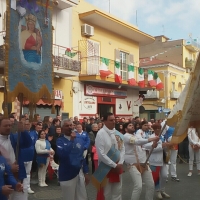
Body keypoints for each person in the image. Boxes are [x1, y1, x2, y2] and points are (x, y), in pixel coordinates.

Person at [123, 122, 159, 200]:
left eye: (132, 125)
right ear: (126, 129)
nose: (132, 126)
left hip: (143, 163)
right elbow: (137, 142)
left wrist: (152, 145)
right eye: (130, 125)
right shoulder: (126, 137)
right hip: (132, 164)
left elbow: (143, 145)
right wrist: (152, 139)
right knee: (138, 186)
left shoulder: (136, 136)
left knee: (151, 185)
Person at [56, 119, 89, 200]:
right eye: (67, 126)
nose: (69, 127)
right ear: (62, 128)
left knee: (82, 197)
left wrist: (86, 172)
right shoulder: (59, 140)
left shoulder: (79, 139)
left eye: (71, 125)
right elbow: (63, 155)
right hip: (67, 175)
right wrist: (71, 141)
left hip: (79, 173)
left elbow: (82, 156)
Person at [0, 118, 32, 200]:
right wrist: (9, 168)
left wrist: (23, 131)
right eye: (5, 126)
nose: (8, 127)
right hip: (3, 178)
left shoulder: (14, 138)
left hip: (18, 175)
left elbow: (28, 143)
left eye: (10, 125)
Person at [95, 112, 125, 200]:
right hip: (105, 167)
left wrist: (120, 163)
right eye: (111, 120)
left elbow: (122, 149)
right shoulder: (100, 134)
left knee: (118, 192)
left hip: (117, 166)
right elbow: (101, 154)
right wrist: (114, 165)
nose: (114, 122)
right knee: (105, 194)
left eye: (114, 120)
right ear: (104, 121)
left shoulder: (118, 134)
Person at [147, 123, 171, 199]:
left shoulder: (162, 137)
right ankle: (158, 191)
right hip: (154, 160)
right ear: (154, 129)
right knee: (156, 177)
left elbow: (164, 147)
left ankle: (162, 190)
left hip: (163, 159)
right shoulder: (151, 137)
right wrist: (163, 146)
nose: (158, 129)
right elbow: (151, 149)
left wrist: (168, 146)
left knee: (164, 176)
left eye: (159, 128)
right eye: (156, 128)